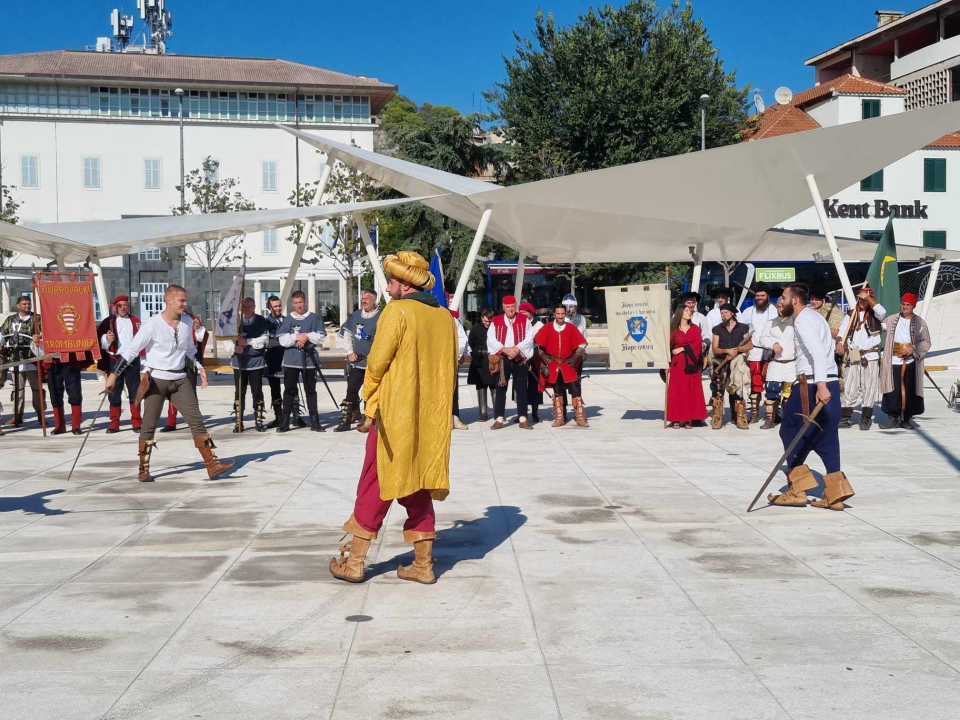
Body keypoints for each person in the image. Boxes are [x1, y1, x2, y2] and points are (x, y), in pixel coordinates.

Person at [329, 251, 458, 585]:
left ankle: (355, 562)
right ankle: (423, 564)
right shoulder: (445, 317)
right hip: (430, 415)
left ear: (405, 283)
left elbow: (376, 364)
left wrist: (368, 398)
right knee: (416, 481)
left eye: (392, 280)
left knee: (376, 479)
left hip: (395, 413)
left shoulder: (397, 311)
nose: (388, 287)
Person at [105, 285, 235, 483]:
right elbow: (131, 351)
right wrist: (114, 375)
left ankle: (212, 465)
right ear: (169, 301)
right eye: (181, 301)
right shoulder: (152, 324)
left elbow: (190, 349)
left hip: (180, 378)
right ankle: (143, 469)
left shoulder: (187, 321)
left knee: (196, 420)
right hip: (157, 379)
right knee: (148, 425)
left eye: (185, 300)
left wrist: (200, 367)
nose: (185, 304)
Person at [768, 283, 854, 511]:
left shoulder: (804, 320)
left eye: (784, 297)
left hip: (813, 385)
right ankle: (835, 495)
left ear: (795, 300)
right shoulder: (815, 317)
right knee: (825, 437)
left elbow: (817, 352)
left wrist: (822, 386)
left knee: (789, 430)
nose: (781, 301)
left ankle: (797, 490)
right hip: (826, 382)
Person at [276, 290, 326, 432]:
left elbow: (321, 337)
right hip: (291, 360)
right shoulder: (288, 320)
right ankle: (285, 421)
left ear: (305, 302)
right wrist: (296, 338)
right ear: (293, 303)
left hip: (309, 359)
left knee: (310, 390)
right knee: (289, 390)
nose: (298, 305)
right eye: (296, 303)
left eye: (301, 302)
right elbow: (282, 340)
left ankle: (315, 421)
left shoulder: (314, 318)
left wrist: (306, 336)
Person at [879, 292, 931, 430]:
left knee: (909, 391)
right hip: (893, 360)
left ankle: (906, 419)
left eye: (908, 305)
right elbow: (878, 328)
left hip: (911, 361)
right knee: (891, 390)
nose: (905, 307)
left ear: (913, 306)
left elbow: (926, 341)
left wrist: (913, 348)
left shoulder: (920, 322)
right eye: (903, 304)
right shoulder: (891, 319)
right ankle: (892, 418)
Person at [836, 288, 886, 431]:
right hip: (854, 354)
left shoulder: (876, 314)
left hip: (870, 356)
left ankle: (865, 419)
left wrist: (868, 297)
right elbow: (842, 331)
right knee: (849, 386)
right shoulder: (852, 314)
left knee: (868, 387)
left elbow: (882, 311)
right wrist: (839, 342)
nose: (862, 301)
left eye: (865, 299)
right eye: (861, 298)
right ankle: (845, 417)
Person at [535, 305, 589, 427]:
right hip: (553, 364)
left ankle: (579, 415)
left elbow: (582, 343)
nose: (560, 316)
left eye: (562, 314)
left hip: (567, 364)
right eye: (558, 314)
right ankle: (560, 416)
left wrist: (575, 357)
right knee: (557, 389)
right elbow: (537, 343)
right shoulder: (548, 327)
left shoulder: (570, 327)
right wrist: (543, 356)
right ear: (554, 313)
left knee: (575, 388)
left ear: (565, 314)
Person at [487, 295, 535, 429]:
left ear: (516, 306)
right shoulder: (495, 321)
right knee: (501, 388)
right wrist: (505, 349)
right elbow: (491, 339)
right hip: (503, 359)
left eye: (513, 306)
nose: (510, 309)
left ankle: (523, 418)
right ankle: (499, 419)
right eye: (507, 307)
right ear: (503, 307)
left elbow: (529, 337)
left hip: (519, 358)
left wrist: (517, 348)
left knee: (521, 389)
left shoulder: (524, 319)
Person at [97, 295, 144, 434]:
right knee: (114, 392)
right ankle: (114, 422)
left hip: (132, 361)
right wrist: (107, 338)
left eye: (125, 305)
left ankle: (136, 421)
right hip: (115, 360)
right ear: (115, 307)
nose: (123, 308)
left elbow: (142, 340)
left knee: (134, 392)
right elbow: (101, 343)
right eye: (120, 305)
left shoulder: (135, 321)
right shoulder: (108, 322)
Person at [337, 289, 381, 432]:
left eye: (367, 298)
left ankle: (369, 421)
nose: (363, 301)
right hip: (357, 362)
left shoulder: (381, 316)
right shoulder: (356, 316)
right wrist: (350, 352)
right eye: (362, 298)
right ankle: (346, 420)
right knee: (351, 390)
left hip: (374, 363)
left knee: (371, 392)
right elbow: (347, 335)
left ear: (374, 300)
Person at [224, 297, 270, 433]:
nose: (247, 309)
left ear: (254, 306)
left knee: (257, 392)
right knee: (239, 392)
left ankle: (259, 420)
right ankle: (239, 421)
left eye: (249, 306)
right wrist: (234, 348)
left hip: (255, 362)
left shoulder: (261, 321)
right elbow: (227, 339)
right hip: (239, 363)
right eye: (244, 307)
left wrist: (247, 341)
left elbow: (264, 340)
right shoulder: (234, 321)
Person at [0, 296, 44, 428]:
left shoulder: (38, 318)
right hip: (15, 359)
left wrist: (40, 336)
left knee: (37, 389)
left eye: (29, 304)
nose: (27, 306)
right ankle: (17, 415)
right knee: (17, 389)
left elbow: (45, 333)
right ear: (18, 306)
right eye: (24, 304)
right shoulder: (11, 320)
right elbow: (2, 333)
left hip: (32, 359)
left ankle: (40, 414)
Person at [161, 313, 207, 432]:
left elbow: (200, 338)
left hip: (189, 361)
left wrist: (196, 328)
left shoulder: (191, 319)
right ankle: (171, 422)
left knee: (191, 392)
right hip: (173, 360)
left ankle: (195, 421)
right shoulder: (167, 319)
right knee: (172, 390)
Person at [710, 303, 752, 430]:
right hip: (720, 363)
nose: (723, 315)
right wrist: (727, 351)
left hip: (737, 362)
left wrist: (738, 349)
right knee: (718, 391)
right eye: (722, 313)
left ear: (732, 313)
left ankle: (739, 417)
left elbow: (749, 345)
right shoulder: (717, 329)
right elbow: (715, 349)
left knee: (737, 390)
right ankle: (717, 417)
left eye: (726, 312)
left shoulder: (743, 327)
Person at [739, 282, 776, 424]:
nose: (760, 298)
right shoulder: (748, 311)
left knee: (773, 383)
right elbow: (743, 331)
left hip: (772, 352)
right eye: (758, 295)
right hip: (754, 351)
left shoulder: (775, 310)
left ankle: (772, 414)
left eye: (762, 295)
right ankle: (754, 413)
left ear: (767, 296)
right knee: (755, 382)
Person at [758, 297, 796, 430]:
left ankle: (789, 419)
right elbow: (763, 339)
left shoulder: (795, 321)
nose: (780, 309)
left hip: (791, 363)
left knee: (790, 393)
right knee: (772, 392)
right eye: (778, 306)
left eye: (782, 306)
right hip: (775, 363)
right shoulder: (771, 323)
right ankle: (770, 419)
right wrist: (773, 344)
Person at [666, 306, 707, 428]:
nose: (690, 313)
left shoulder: (694, 329)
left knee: (690, 390)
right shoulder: (673, 329)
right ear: (680, 313)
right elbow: (668, 346)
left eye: (691, 311)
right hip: (677, 364)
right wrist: (666, 364)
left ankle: (689, 418)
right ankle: (676, 418)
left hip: (691, 363)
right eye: (687, 311)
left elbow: (697, 345)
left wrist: (683, 348)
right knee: (677, 391)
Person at [468, 308, 497, 421]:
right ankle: (483, 413)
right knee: (481, 386)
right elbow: (471, 343)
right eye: (485, 321)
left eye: (489, 321)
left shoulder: (496, 329)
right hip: (479, 360)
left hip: (493, 359)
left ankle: (497, 411)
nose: (487, 323)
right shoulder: (475, 329)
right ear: (482, 318)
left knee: (494, 385)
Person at [519, 302, 545, 424]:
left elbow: (539, 340)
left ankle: (535, 412)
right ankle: (521, 413)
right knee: (520, 385)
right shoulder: (519, 323)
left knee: (534, 385)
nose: (522, 314)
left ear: (530, 313)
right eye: (521, 312)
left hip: (534, 357)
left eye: (524, 312)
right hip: (521, 356)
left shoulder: (538, 324)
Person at [263, 295, 286, 429]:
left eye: (279, 305)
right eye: (275, 306)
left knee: (291, 389)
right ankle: (279, 417)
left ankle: (295, 417)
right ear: (269, 307)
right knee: (275, 389)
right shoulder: (265, 323)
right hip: (272, 361)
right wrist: (283, 341)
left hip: (287, 359)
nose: (278, 308)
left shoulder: (288, 320)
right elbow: (266, 342)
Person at [450, 307, 470, 429]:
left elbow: (462, 338)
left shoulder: (452, 320)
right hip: (429, 362)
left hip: (449, 360)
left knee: (453, 390)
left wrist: (458, 355)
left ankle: (454, 417)